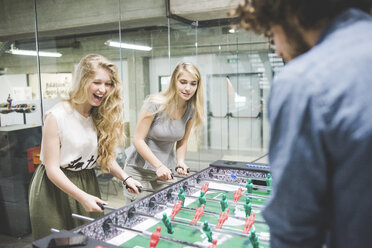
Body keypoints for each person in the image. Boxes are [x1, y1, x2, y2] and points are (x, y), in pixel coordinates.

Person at [233, 0, 372, 247]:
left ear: (288, 13)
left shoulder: (304, 81)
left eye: (272, 32)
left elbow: (295, 231)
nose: (277, 50)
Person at [28, 54, 142, 240]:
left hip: (86, 181)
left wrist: (125, 177)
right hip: (53, 188)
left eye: (108, 84)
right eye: (97, 82)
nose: (103, 89)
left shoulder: (99, 114)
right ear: (82, 81)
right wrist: (82, 197)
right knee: (60, 242)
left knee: (89, 239)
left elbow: (102, 156)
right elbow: (52, 169)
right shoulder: (57, 116)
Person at [124, 62, 204, 201]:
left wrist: (180, 161)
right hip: (139, 172)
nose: (187, 88)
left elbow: (182, 141)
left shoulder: (191, 109)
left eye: (193, 83)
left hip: (165, 172)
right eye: (183, 82)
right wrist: (158, 166)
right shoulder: (155, 103)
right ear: (174, 81)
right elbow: (137, 139)